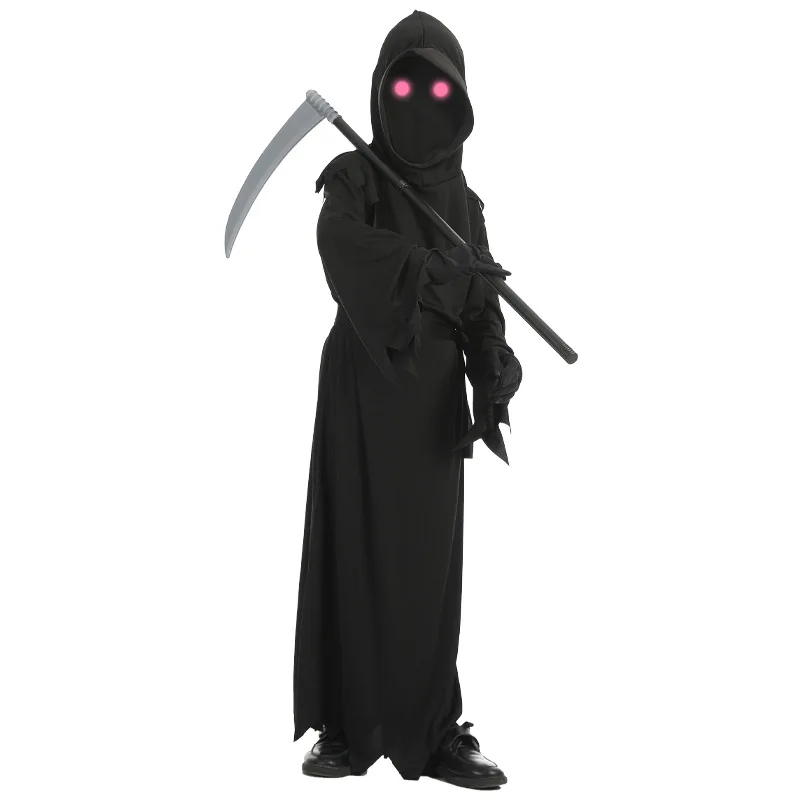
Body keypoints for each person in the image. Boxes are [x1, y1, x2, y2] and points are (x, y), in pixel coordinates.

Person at [292, 10, 523, 790]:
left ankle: (431, 731)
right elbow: (340, 247)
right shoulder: (354, 177)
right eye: (403, 86)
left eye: (437, 88)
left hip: (430, 406)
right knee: (355, 548)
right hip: (362, 388)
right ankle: (348, 724)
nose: (419, 102)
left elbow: (481, 301)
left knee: (426, 570)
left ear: (460, 98)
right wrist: (429, 271)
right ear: (378, 90)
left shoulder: (466, 202)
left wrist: (493, 363)